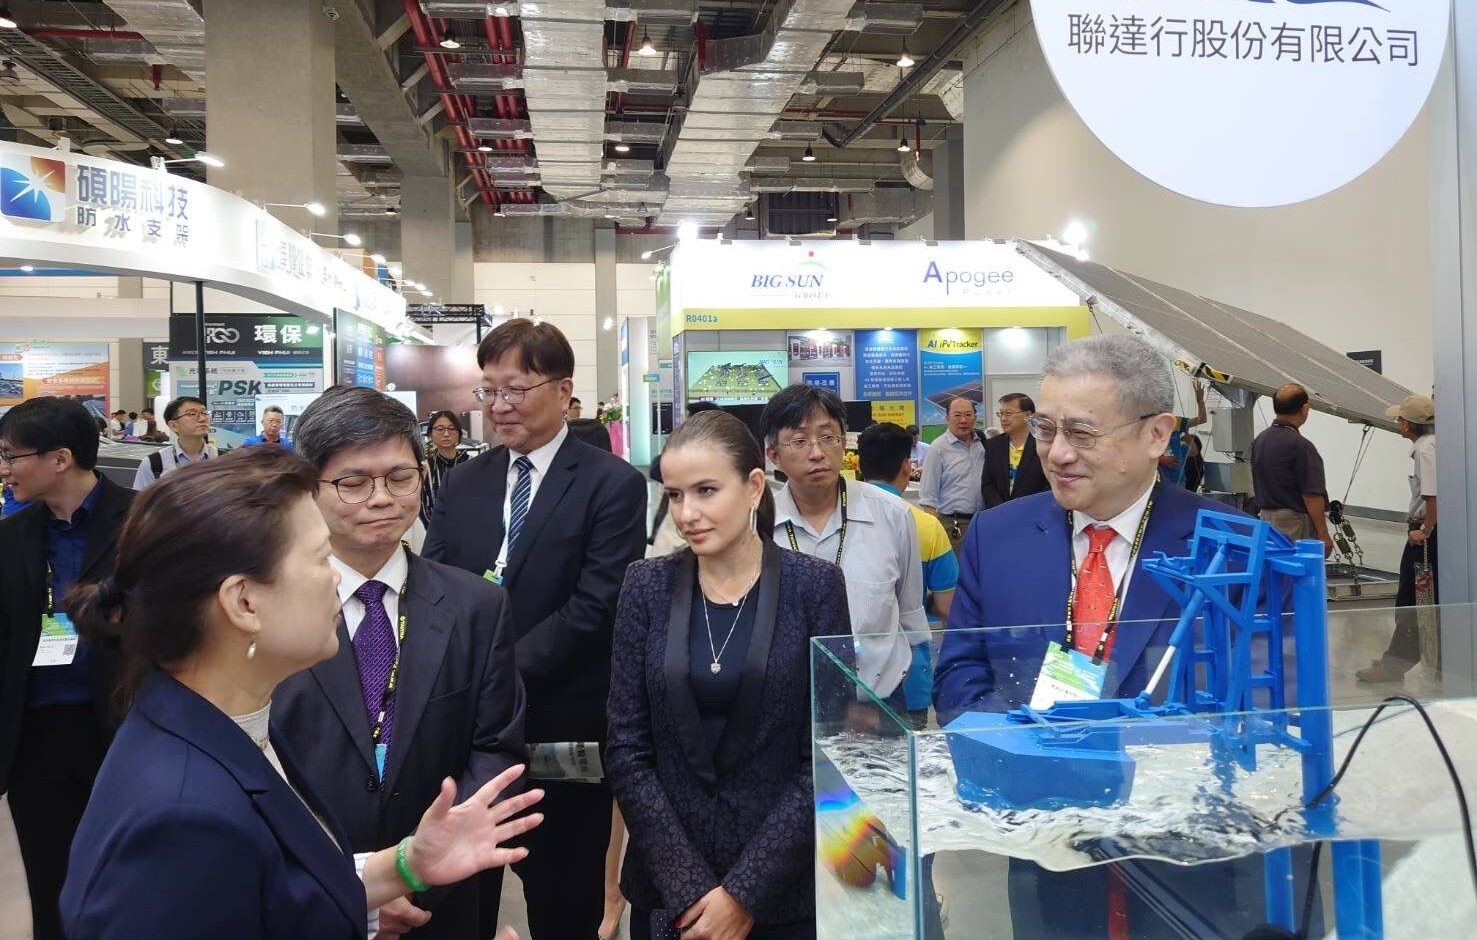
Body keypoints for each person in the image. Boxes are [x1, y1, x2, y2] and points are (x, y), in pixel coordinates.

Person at [57, 447, 543, 940]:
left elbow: (276, 893)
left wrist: (404, 865)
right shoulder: (183, 821)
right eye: (319, 558)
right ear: (244, 602)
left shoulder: (232, 728)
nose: (337, 577)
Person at [932, 333, 1310, 939]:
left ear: (1156, 435)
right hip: (1044, 844)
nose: (1056, 453)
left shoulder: (1234, 549)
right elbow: (959, 674)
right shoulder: (998, 537)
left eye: (1082, 433)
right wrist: (1027, 752)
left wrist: (1146, 764)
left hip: (1187, 858)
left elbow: (1276, 696)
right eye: (1048, 428)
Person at [271, 387, 527, 940]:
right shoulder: (268, 608)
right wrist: (359, 889)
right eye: (353, 482)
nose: (381, 498)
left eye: (399, 478)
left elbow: (495, 747)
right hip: (301, 900)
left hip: (441, 900)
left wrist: (412, 879)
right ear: (308, 487)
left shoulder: (476, 607)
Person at [425, 318, 648, 940]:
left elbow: (596, 605)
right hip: (463, 735)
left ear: (563, 390)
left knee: (565, 900)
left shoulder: (612, 484)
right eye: (488, 391)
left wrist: (494, 674)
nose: (499, 406)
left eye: (515, 389)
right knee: (460, 901)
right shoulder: (463, 482)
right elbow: (435, 585)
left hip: (561, 729)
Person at [607, 409, 849, 940]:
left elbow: (828, 750)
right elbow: (627, 746)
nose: (688, 513)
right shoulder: (646, 586)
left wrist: (744, 893)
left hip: (781, 890)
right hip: (671, 889)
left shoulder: (816, 588)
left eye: (706, 490)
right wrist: (690, 886)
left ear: (754, 487)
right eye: (674, 495)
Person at [0, 397, 134, 940]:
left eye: (12, 455)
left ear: (60, 458)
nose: (4, 468)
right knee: (51, 877)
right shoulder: (11, 536)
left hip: (127, 725)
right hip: (36, 734)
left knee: (133, 869)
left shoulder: (144, 519)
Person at [763, 383, 925, 702]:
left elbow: (909, 612)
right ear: (774, 455)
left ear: (844, 442)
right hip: (787, 705)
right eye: (799, 440)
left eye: (828, 437)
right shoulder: (758, 527)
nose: (817, 453)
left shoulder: (893, 516)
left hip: (879, 702)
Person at [858, 422, 959, 723]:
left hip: (849, 676)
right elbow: (946, 607)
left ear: (859, 466)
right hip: (910, 676)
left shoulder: (839, 522)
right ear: (906, 466)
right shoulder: (926, 525)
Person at [1357, 394, 1438, 684]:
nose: (1397, 423)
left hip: (1425, 534)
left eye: (1399, 419)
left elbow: (1432, 496)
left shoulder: (1425, 450)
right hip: (1433, 530)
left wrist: (1425, 530)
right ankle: (1432, 658)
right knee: (1430, 597)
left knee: (1410, 599)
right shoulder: (1434, 445)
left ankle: (1395, 665)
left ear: (1407, 425)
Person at [1250, 383, 1333, 555]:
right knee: (1294, 574)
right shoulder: (1301, 446)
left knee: (1272, 572)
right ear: (1305, 409)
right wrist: (1323, 534)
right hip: (1292, 524)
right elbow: (1311, 495)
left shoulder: (1260, 440)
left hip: (1265, 520)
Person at [918, 396, 986, 553]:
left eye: (968, 415)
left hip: (982, 522)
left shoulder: (983, 443)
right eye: (957, 415)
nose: (963, 420)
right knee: (957, 572)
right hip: (953, 525)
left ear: (975, 417)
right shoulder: (938, 448)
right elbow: (928, 497)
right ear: (947, 418)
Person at [980, 393, 1050, 509]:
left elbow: (1050, 484)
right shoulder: (994, 445)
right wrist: (1002, 508)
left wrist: (1024, 508)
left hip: (1034, 513)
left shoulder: (1044, 444)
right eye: (1000, 414)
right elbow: (988, 484)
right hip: (1000, 514)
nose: (1003, 418)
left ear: (1028, 415)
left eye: (1008, 413)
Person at [132, 394, 217, 488]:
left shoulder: (224, 459)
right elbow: (140, 501)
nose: (202, 418)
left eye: (204, 413)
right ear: (174, 425)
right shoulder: (154, 463)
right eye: (192, 414)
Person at [421, 410, 473, 527]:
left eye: (451, 429)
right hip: (434, 532)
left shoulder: (471, 464)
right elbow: (423, 505)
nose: (446, 434)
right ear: (430, 435)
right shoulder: (425, 467)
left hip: (469, 530)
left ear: (459, 434)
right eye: (440, 429)